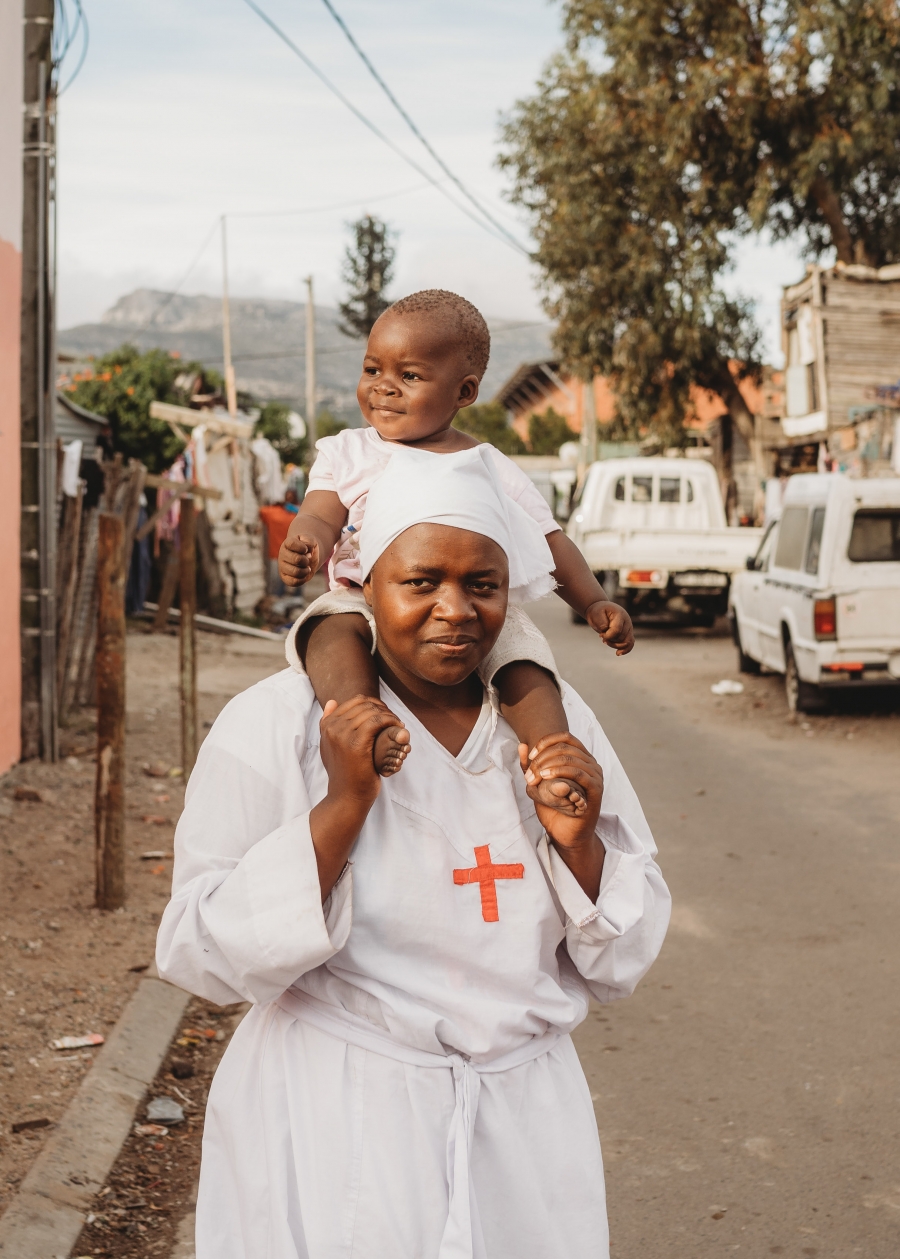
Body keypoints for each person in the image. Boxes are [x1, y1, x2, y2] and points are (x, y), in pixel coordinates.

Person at [156, 451, 670, 1259]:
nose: (456, 610)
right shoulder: (280, 722)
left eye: (483, 585)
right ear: (367, 584)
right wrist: (343, 805)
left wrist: (577, 849)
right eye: (422, 581)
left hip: (526, 1132)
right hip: (340, 1121)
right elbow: (199, 952)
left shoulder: (555, 732)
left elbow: (622, 958)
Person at [278, 290, 635, 805]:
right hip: (361, 594)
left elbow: (550, 540)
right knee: (330, 631)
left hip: (474, 600)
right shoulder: (350, 452)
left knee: (523, 654)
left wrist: (593, 600)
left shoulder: (487, 464)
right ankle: (362, 723)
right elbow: (320, 511)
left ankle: (553, 754)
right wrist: (306, 541)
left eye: (410, 376)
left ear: (464, 391)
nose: (384, 388)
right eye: (373, 369)